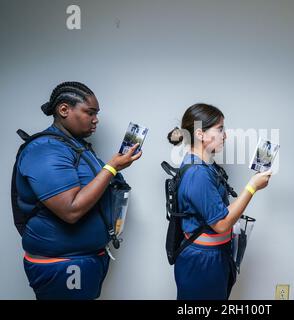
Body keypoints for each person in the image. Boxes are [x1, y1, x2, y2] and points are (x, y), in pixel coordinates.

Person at [15, 81, 142, 299]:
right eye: (90, 112)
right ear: (64, 110)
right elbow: (70, 210)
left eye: (97, 113)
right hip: (63, 264)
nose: (96, 119)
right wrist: (111, 167)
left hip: (84, 259)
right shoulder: (45, 150)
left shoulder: (76, 146)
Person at [167, 103, 272, 300]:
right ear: (200, 134)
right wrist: (252, 187)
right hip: (203, 261)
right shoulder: (198, 173)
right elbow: (222, 223)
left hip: (213, 256)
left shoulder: (205, 166)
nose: (225, 135)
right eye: (220, 129)